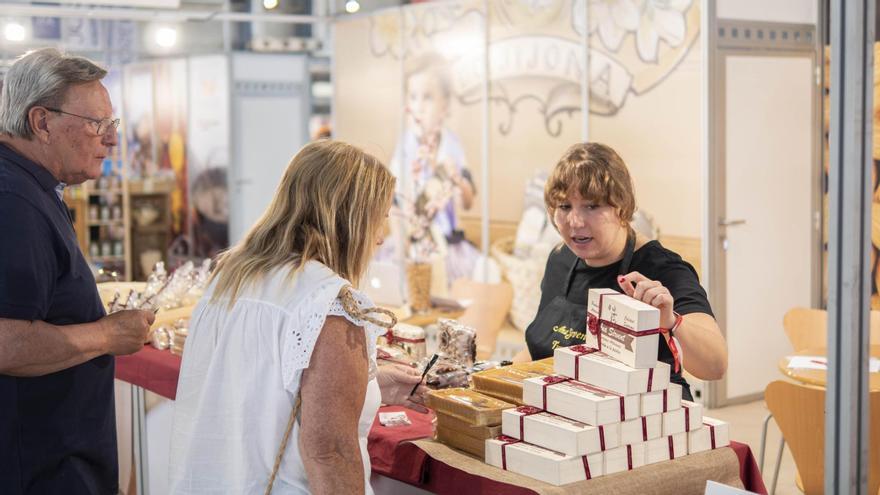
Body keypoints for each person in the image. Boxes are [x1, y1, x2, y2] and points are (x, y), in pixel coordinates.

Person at [169, 140, 429, 494]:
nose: (380, 239)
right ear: (349, 219)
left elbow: (263, 385)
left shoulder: (232, 277)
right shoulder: (328, 302)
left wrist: (371, 384)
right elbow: (331, 453)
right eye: (379, 221)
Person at [0, 48, 155, 493]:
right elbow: (7, 343)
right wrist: (107, 335)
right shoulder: (14, 200)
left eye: (113, 125)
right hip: (38, 467)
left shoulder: (31, 188)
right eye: (97, 124)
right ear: (42, 122)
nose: (110, 140)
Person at [521, 143, 728, 400]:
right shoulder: (561, 259)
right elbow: (538, 351)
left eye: (591, 206)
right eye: (564, 207)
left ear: (622, 208)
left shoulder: (663, 269)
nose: (575, 221)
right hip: (572, 408)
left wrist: (671, 321)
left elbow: (715, 366)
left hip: (646, 418)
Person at [386, 52, 480, 284]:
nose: (418, 106)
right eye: (413, 97)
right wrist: (401, 247)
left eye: (427, 97)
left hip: (447, 245)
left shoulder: (452, 145)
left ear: (444, 105)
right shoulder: (406, 147)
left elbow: (467, 201)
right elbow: (394, 202)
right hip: (411, 242)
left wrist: (456, 178)